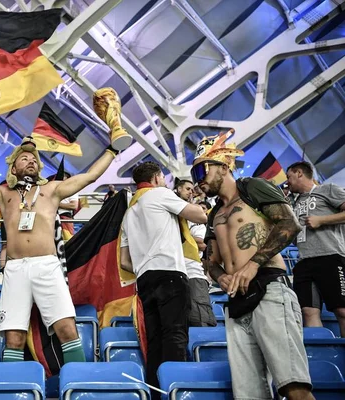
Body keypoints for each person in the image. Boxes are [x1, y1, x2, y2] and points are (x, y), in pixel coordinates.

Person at [0, 132, 117, 364]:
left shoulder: (52, 190)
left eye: (33, 159)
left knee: (67, 329)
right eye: (24, 159)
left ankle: (77, 386)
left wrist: (113, 149)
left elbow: (89, 176)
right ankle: (13, 387)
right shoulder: (2, 194)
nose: (30, 161)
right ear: (13, 168)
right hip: (16, 269)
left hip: (47, 265)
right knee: (14, 337)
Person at [192, 131, 313, 400]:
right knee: (249, 396)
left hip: (269, 288)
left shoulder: (252, 187)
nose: (199, 179)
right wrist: (221, 276)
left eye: (203, 169)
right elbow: (210, 262)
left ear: (223, 166)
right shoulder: (213, 215)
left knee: (295, 388)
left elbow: (289, 224)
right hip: (236, 300)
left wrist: (253, 265)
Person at [119, 162, 207, 398]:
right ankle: (175, 391)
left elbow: (124, 262)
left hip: (144, 279)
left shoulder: (129, 212)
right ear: (157, 177)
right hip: (169, 272)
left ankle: (156, 393)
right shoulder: (159, 194)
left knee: (155, 340)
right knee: (175, 333)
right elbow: (200, 216)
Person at [286, 161, 345, 337]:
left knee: (342, 311)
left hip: (331, 256)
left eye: (289, 177)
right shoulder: (294, 203)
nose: (287, 182)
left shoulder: (327, 189)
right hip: (304, 261)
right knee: (309, 312)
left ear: (299, 173)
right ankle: (321, 356)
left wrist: (322, 220)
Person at [175, 179, 216, 327]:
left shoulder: (197, 220)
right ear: (177, 189)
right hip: (171, 273)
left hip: (193, 272)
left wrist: (173, 236)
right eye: (187, 189)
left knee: (201, 321)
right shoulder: (168, 212)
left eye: (192, 190)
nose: (191, 192)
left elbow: (202, 244)